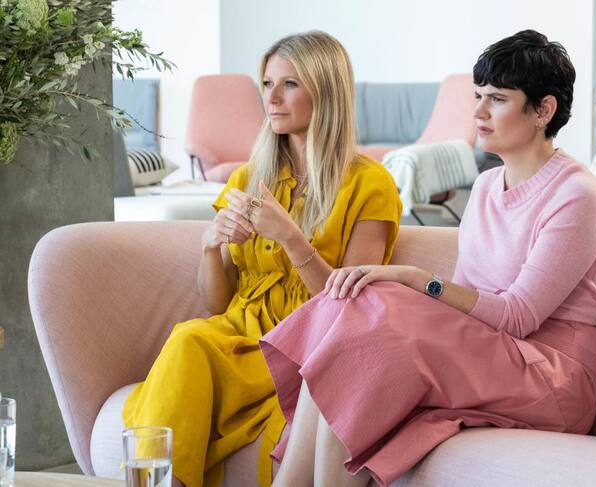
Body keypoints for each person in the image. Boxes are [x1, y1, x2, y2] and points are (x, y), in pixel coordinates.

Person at [259, 29, 596, 487]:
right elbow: (467, 302)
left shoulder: (577, 196)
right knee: (354, 317)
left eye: (497, 99)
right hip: (491, 351)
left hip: (551, 373)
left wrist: (414, 278)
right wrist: (400, 290)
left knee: (375, 310)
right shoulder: (487, 186)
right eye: (477, 96)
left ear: (543, 111)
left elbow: (517, 316)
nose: (478, 112)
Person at [122, 30, 402, 487]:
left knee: (192, 343)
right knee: (189, 338)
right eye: (267, 84)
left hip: (304, 346)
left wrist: (291, 238)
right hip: (238, 334)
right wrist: (210, 246)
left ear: (326, 91)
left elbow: (350, 308)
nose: (271, 98)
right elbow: (216, 303)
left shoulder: (370, 184)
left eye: (289, 84)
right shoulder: (248, 179)